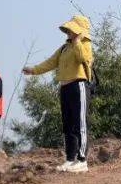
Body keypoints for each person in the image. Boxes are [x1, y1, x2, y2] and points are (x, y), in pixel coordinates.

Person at [23, 15, 94, 173]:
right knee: (68, 125)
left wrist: (77, 40)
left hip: (79, 86)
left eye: (71, 29)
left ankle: (82, 160)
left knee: (80, 124)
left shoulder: (85, 44)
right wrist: (34, 70)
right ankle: (70, 159)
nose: (68, 32)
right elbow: (51, 62)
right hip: (65, 88)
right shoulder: (64, 48)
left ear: (79, 30)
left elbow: (83, 58)